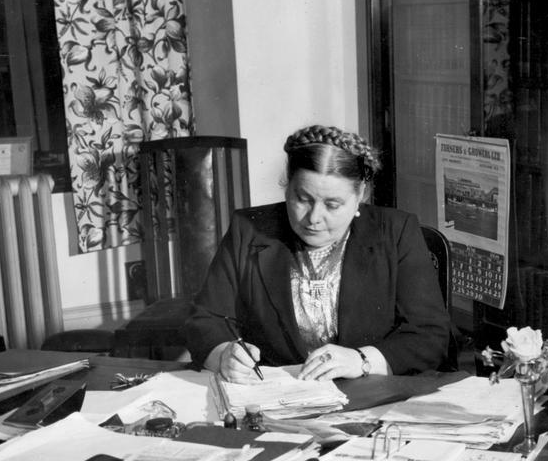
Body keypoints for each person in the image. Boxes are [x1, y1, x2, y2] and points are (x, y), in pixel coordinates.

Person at [185, 125, 451, 383]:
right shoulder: (250, 229)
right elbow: (205, 319)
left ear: (360, 195)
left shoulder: (396, 232)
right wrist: (223, 356)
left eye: (333, 205)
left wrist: (361, 360)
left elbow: (431, 335)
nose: (314, 218)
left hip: (372, 399)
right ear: (287, 185)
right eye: (303, 199)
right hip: (278, 401)